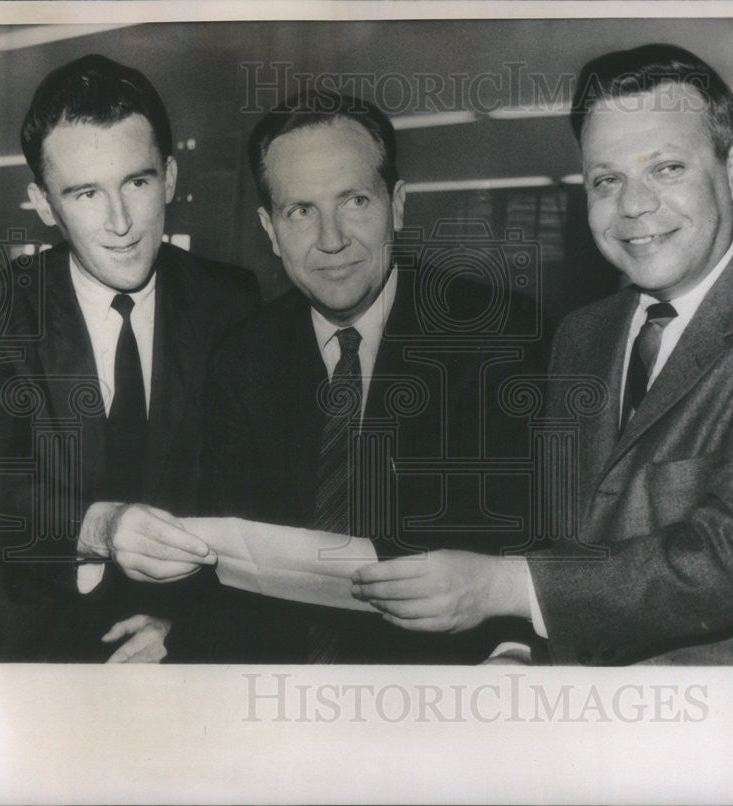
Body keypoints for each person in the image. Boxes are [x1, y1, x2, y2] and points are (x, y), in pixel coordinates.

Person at [352, 44, 733, 665]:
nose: (633, 206)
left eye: (666, 168)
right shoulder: (584, 334)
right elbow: (556, 528)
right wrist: (515, 648)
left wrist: (505, 588)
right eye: (608, 180)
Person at [188, 90, 548, 663]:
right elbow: (223, 555)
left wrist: (514, 653)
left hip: (449, 687)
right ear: (270, 229)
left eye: (354, 200)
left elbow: (539, 534)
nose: (331, 240)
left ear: (397, 205)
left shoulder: (501, 337)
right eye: (300, 211)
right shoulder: (242, 358)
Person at [0, 54, 261, 662]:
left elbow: (251, 494)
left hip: (185, 640)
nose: (121, 224)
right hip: (27, 654)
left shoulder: (233, 301)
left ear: (168, 176)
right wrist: (100, 526)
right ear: (43, 202)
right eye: (85, 193)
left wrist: (184, 626)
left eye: (136, 182)